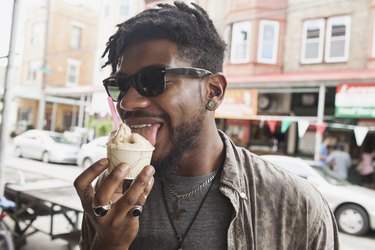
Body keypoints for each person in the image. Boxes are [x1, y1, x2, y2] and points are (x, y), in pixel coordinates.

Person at [74, 2, 339, 249]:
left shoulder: (295, 205)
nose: (128, 103)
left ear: (213, 91)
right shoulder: (111, 194)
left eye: (153, 80)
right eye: (119, 86)